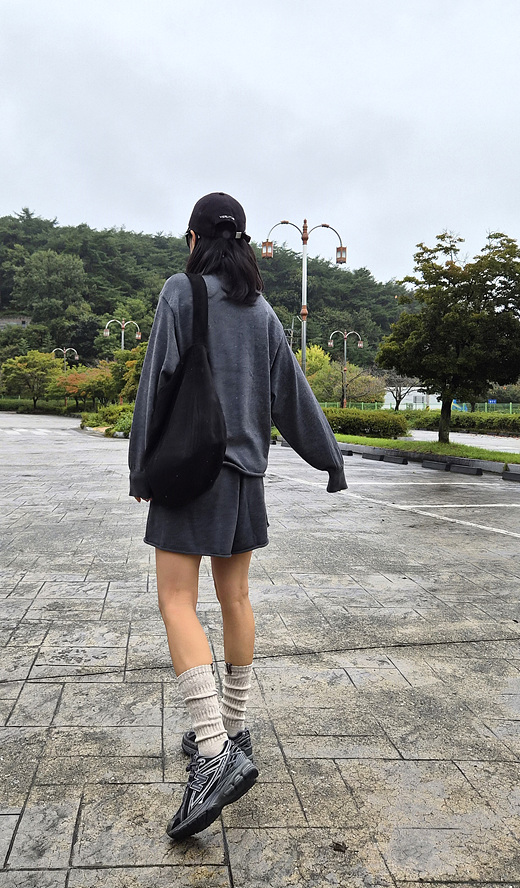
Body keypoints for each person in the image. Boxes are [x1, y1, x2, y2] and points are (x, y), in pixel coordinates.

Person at [128, 192, 347, 839]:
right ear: (244, 242)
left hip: (189, 473)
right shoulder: (262, 310)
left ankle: (214, 750)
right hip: (247, 479)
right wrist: (330, 460)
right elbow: (293, 397)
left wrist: (141, 467)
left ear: (193, 240)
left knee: (176, 600)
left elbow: (154, 383)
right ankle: (233, 729)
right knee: (236, 598)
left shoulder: (181, 292)